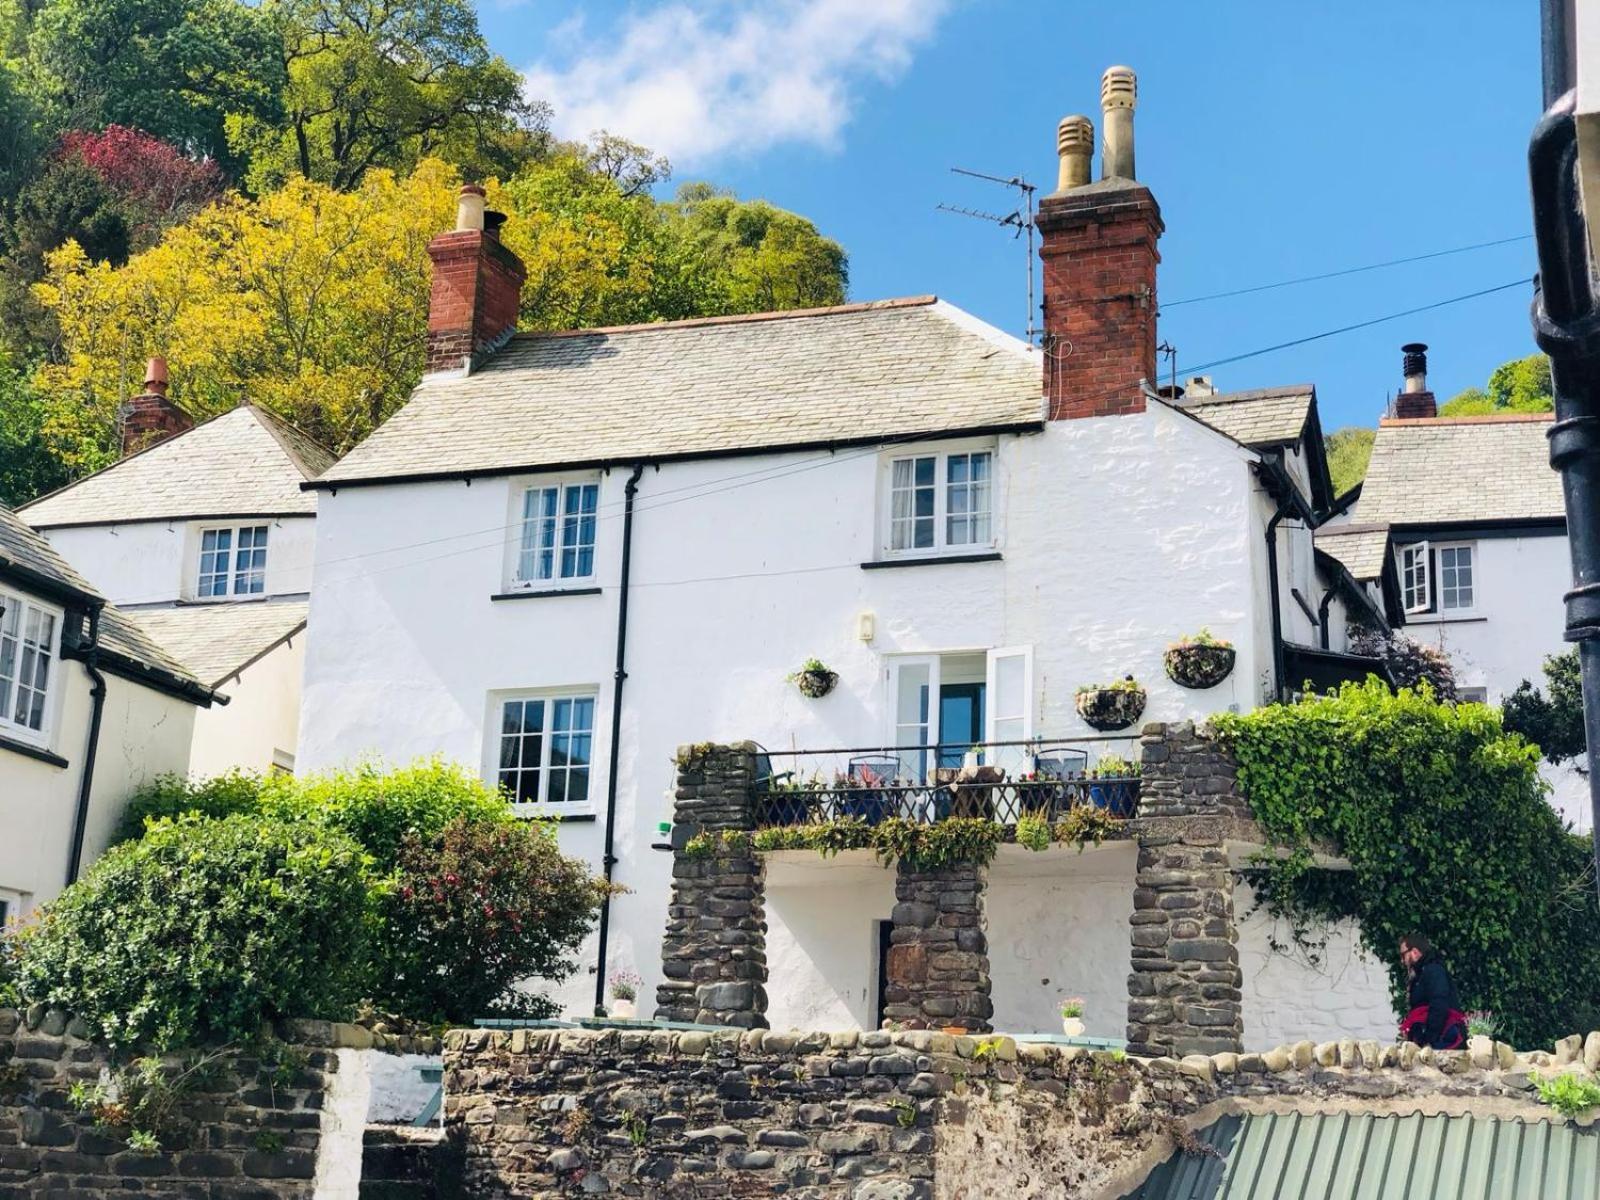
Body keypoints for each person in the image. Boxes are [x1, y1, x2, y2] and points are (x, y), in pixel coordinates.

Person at [1398, 933, 1468, 1050]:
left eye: (1403, 954)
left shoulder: (1433, 971)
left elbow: (1439, 1004)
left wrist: (1428, 1040)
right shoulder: (1424, 972)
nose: (1402, 960)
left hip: (1441, 1042)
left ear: (1414, 952)